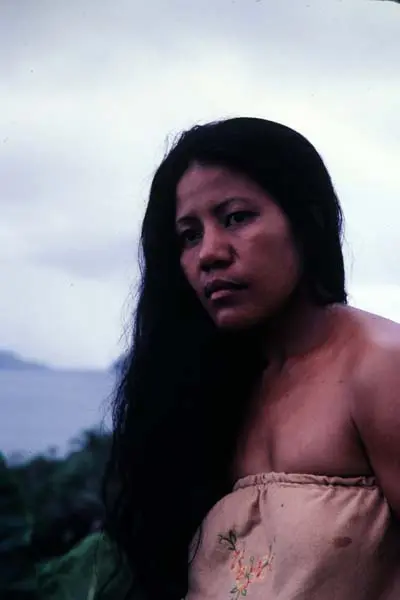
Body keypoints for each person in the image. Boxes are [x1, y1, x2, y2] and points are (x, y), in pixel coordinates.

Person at [103, 117, 400, 600]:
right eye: (188, 235)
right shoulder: (214, 394)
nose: (209, 254)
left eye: (236, 218)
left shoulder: (381, 367)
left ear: (307, 221)